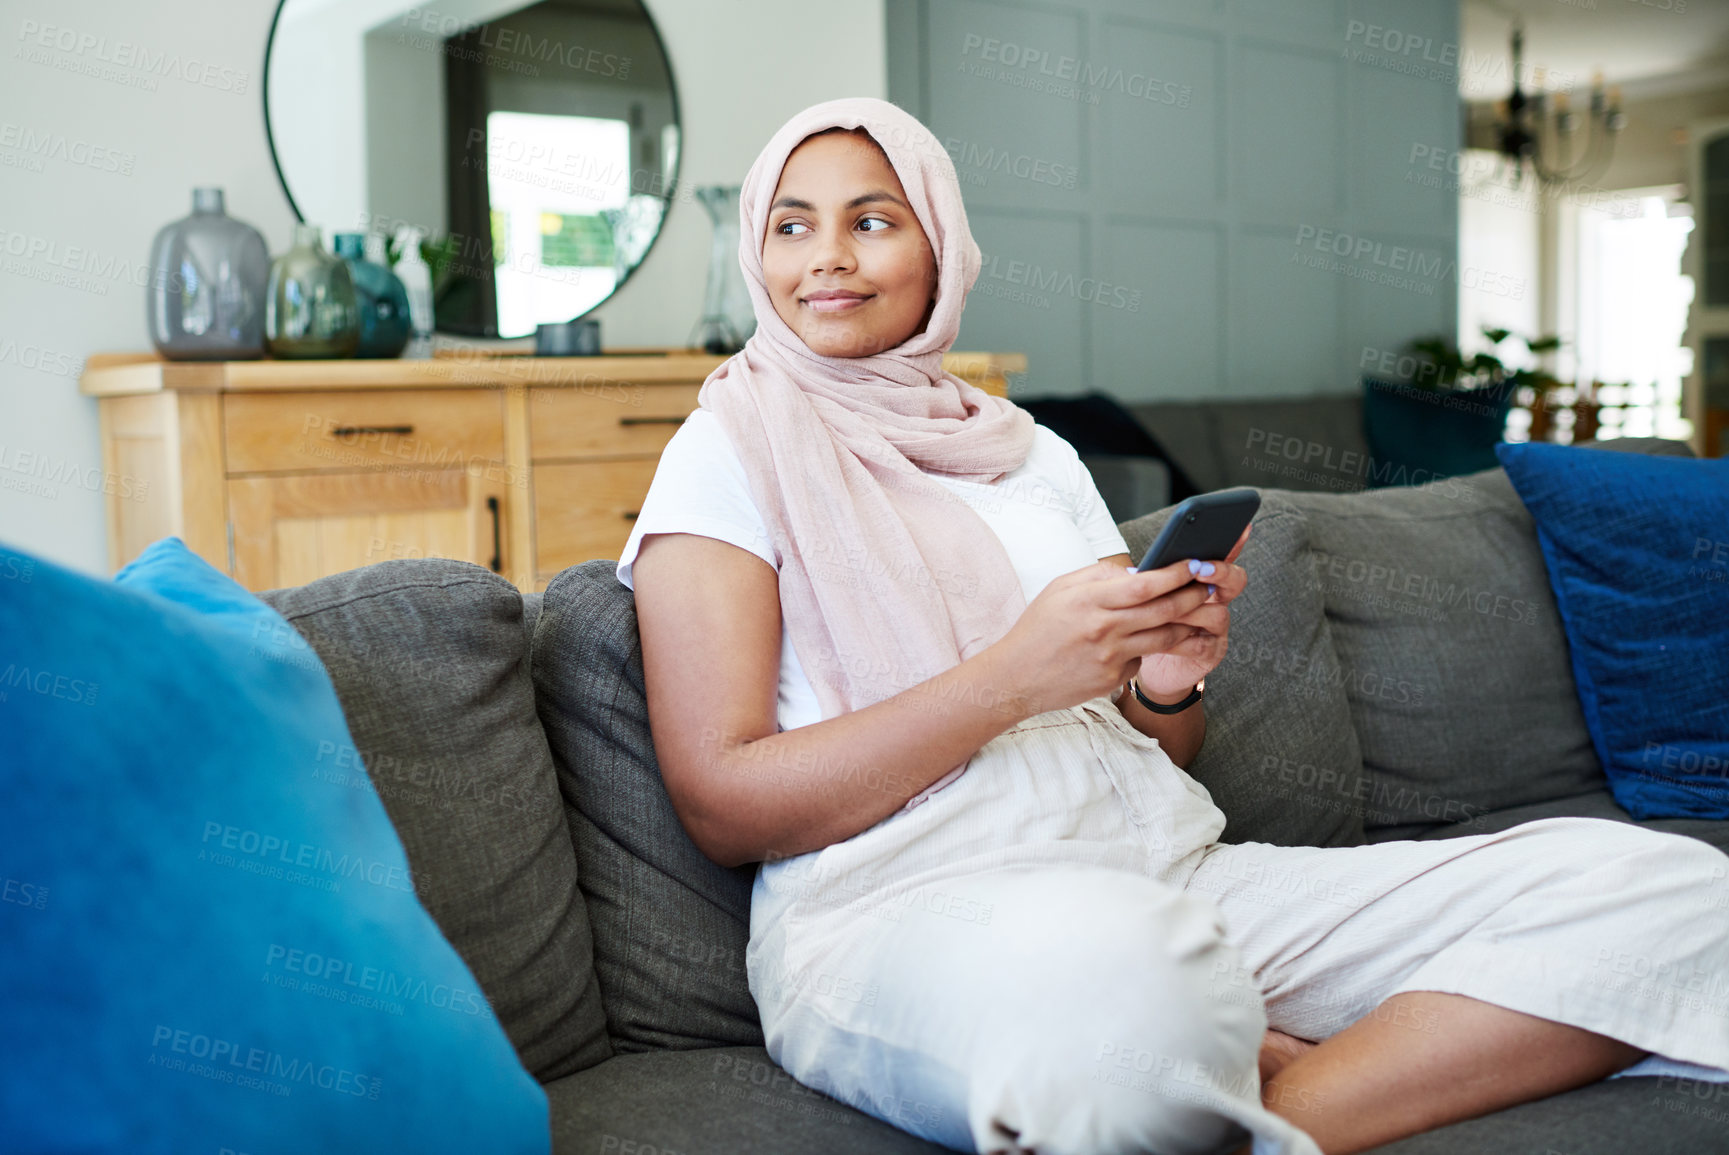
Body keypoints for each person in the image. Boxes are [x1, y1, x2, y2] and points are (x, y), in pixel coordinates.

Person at [616, 97, 1729, 1155]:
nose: (830, 257)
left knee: (1670, 892)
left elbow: (1158, 751)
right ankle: (1237, 1052)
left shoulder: (1026, 452)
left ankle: (1276, 1095)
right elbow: (724, 800)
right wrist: (1014, 678)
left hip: (1169, 873)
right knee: (1128, 999)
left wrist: (1163, 677)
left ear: (942, 246)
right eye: (791, 224)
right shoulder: (725, 453)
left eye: (872, 220)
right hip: (903, 906)